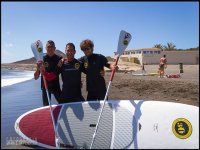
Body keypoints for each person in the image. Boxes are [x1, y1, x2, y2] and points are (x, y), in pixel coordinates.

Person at [34, 40, 62, 106]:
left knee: (62, 104)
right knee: (46, 107)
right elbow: (35, 77)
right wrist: (38, 67)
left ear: (55, 48)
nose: (50, 48)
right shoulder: (41, 59)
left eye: (52, 47)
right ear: (46, 48)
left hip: (56, 86)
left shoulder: (59, 59)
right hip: (45, 86)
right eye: (48, 47)